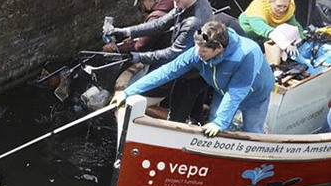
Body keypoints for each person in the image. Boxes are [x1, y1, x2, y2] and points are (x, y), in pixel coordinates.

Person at [110, 21, 275, 136]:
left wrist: (220, 123)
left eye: (203, 52)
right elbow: (166, 71)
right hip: (223, 90)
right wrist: (128, 92)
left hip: (255, 95)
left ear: (218, 48)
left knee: (251, 130)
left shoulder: (247, 54)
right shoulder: (198, 51)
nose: (198, 54)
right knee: (215, 119)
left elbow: (236, 93)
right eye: (197, 49)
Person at [105, 0, 214, 123]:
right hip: (199, 68)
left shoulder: (193, 22)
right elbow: (160, 25)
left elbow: (172, 54)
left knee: (177, 118)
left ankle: (186, 131)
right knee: (195, 109)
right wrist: (124, 32)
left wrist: (136, 57)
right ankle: (198, 118)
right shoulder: (191, 1)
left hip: (190, 74)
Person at [103, 0, 174, 54]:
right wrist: (137, 36)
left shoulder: (156, 16)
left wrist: (117, 48)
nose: (143, 5)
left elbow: (142, 45)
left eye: (142, 1)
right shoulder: (174, 0)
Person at [239, 0, 304, 44]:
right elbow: (259, 26)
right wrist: (279, 37)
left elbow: (294, 23)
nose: (282, 10)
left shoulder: (289, 7)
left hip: (268, 34)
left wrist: (301, 37)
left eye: (285, 6)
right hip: (246, 34)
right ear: (271, 1)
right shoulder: (258, 8)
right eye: (279, 6)